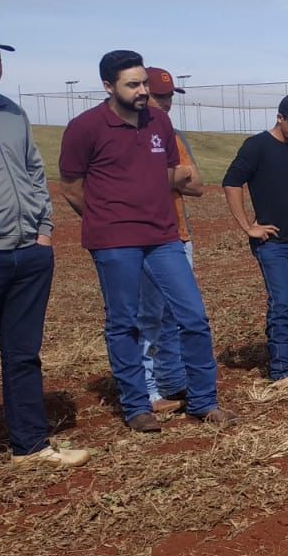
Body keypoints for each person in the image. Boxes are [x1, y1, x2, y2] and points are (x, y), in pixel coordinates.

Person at [58, 50, 236, 431]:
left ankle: (204, 401)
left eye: (143, 83)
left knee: (193, 317)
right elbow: (72, 188)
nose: (143, 91)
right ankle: (137, 406)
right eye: (133, 84)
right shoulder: (84, 128)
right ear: (108, 86)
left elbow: (172, 172)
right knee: (124, 323)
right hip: (114, 243)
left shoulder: (158, 122)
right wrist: (105, 223)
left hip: (163, 238)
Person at [0, 31, 92, 466]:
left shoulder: (12, 113)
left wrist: (44, 229)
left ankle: (30, 447)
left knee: (23, 354)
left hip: (28, 253)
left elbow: (35, 171)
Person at [222, 94, 288, 388]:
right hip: (271, 243)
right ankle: (282, 371)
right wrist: (248, 226)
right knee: (282, 302)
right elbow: (231, 182)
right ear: (280, 117)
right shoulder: (257, 146)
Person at [138, 67, 204, 412]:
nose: (165, 103)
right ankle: (146, 391)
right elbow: (125, 181)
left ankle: (171, 381)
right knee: (146, 317)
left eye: (168, 96)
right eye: (158, 96)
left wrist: (151, 176)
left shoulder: (174, 135)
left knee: (176, 315)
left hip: (178, 235)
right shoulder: (130, 134)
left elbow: (196, 185)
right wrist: (169, 176)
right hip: (142, 239)